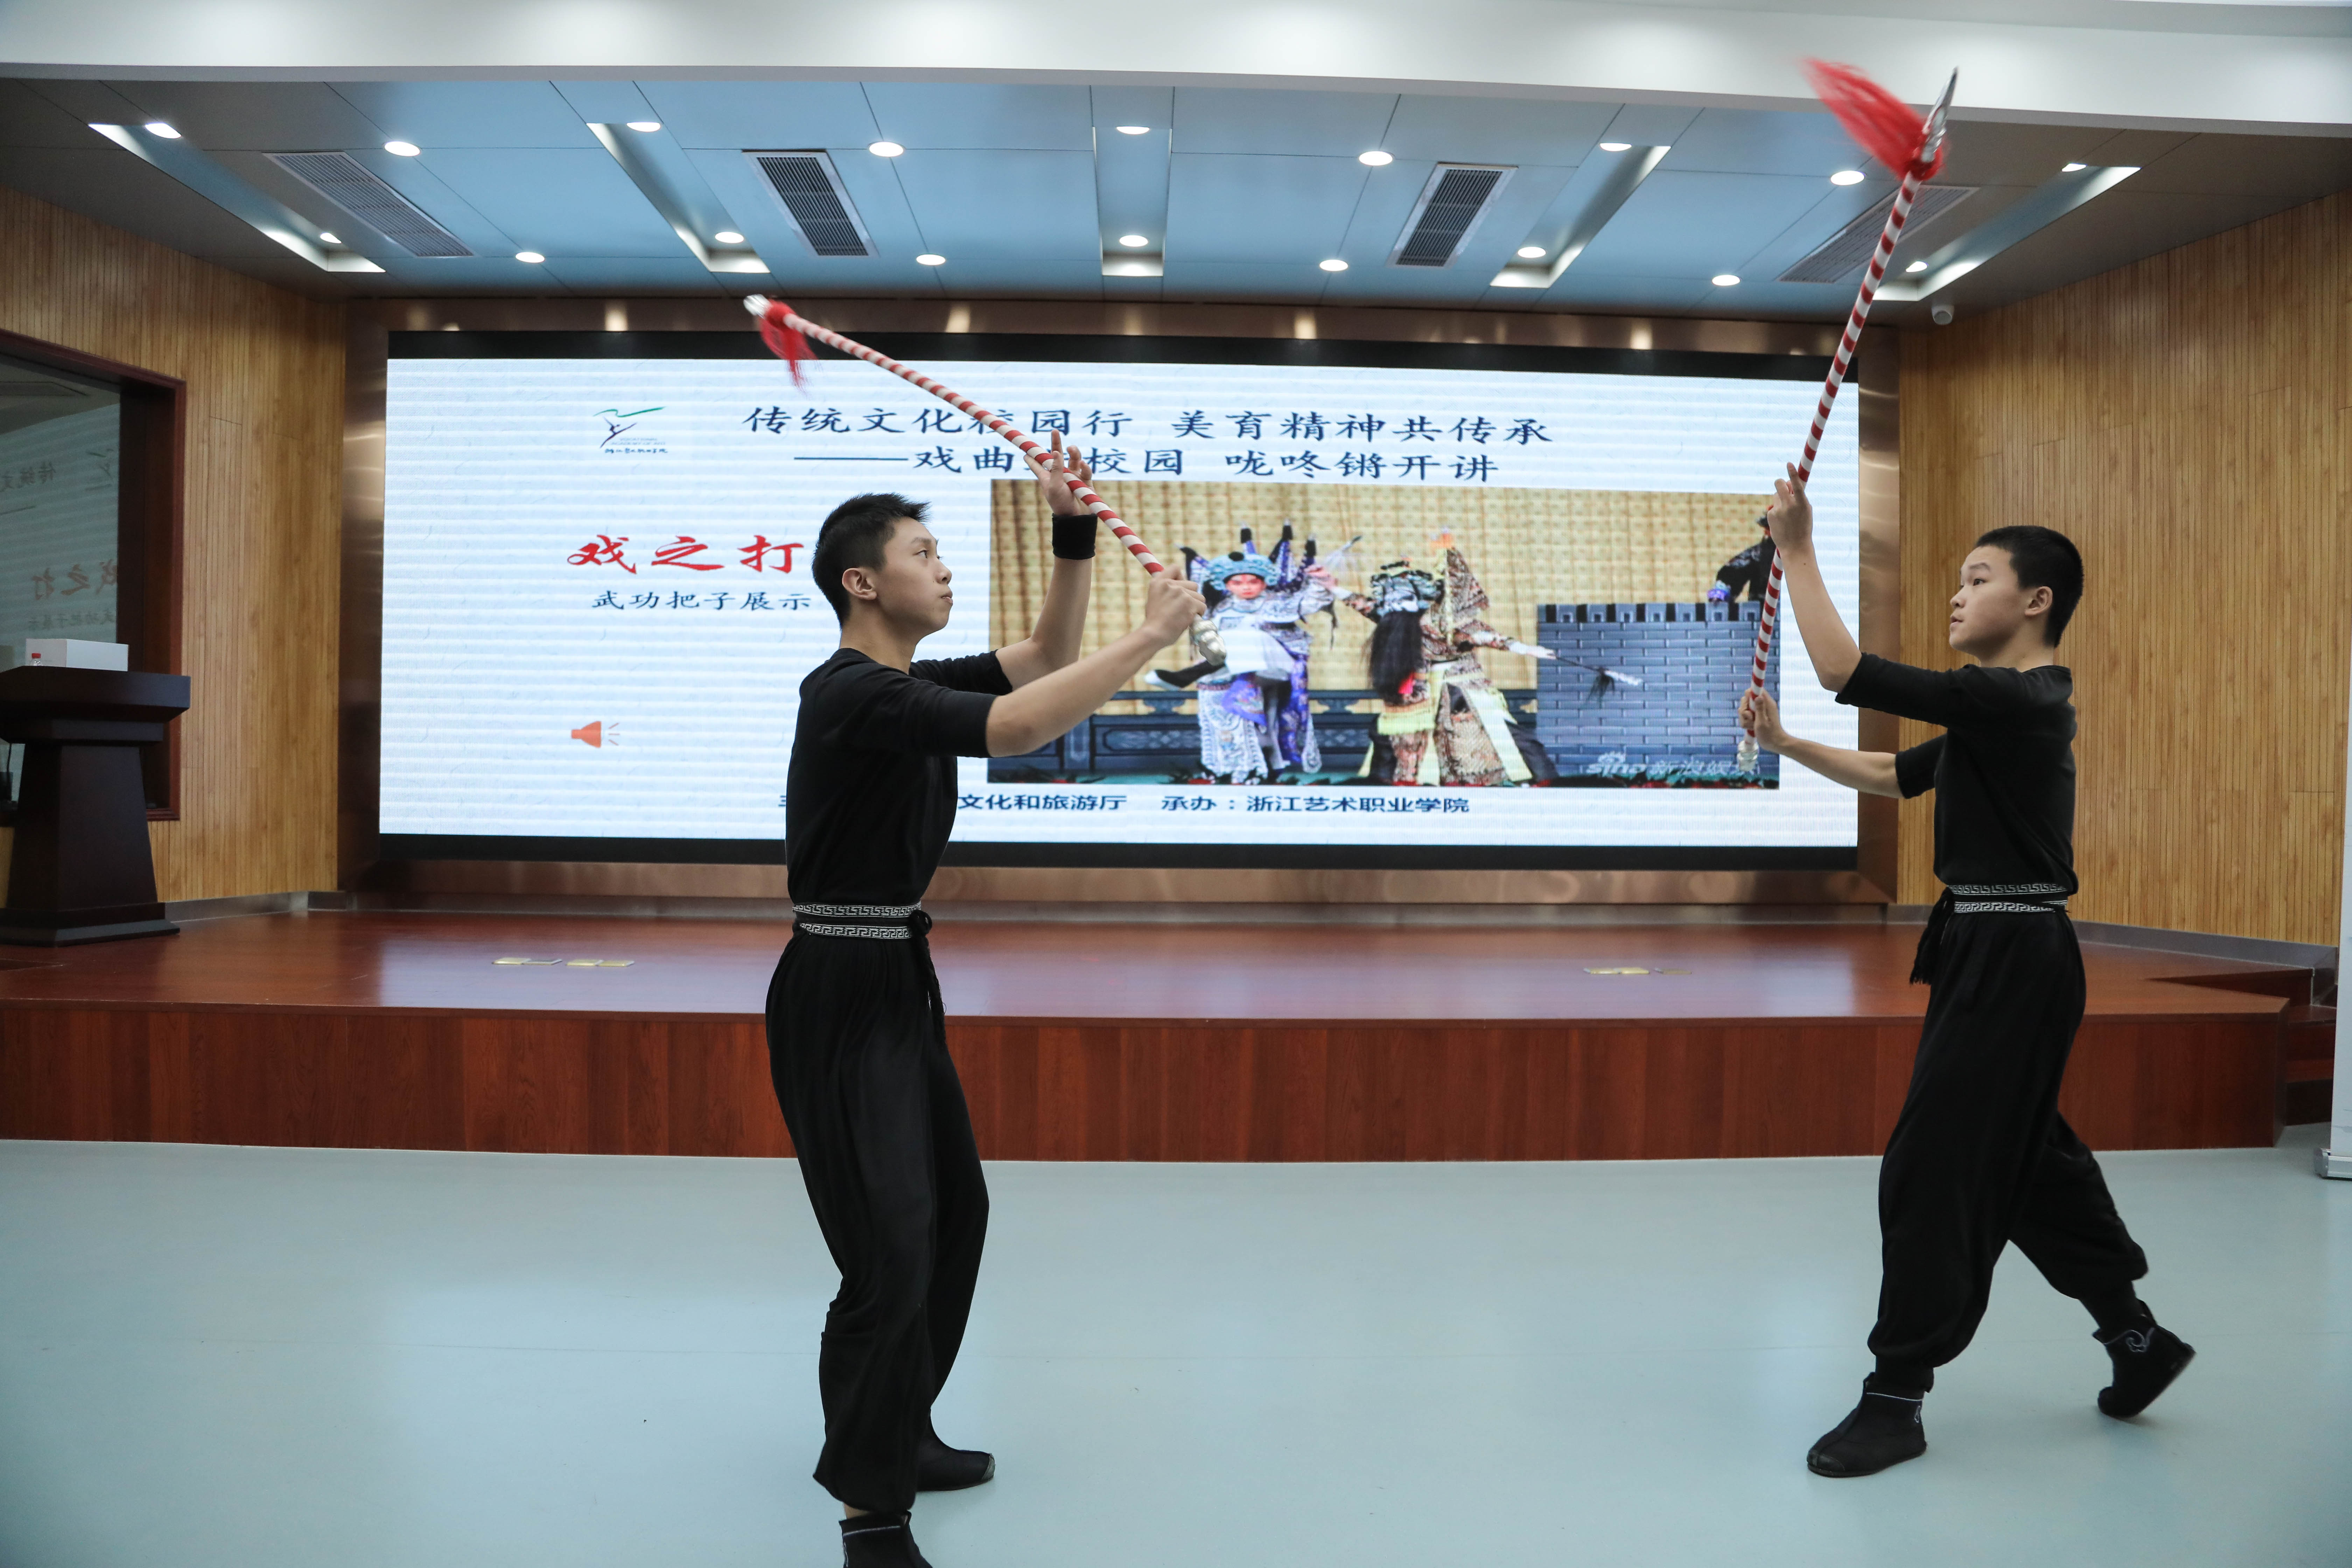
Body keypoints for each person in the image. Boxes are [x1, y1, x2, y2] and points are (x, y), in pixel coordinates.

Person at [772, 435, 1205, 1567]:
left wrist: (1071, 531)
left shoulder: (912, 685)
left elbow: (1044, 659)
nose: (945, 566)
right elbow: (1017, 728)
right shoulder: (851, 692)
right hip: (838, 986)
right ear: (863, 582)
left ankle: (901, 1431)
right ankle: (870, 1513)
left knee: (953, 1218)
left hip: (894, 978)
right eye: (924, 552)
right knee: (889, 1248)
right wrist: (1152, 637)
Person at [1740, 464, 2192, 1478]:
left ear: (2037, 601)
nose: (1957, 593)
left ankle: (1896, 1394)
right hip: (1994, 948)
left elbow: (1845, 670)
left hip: (2015, 954)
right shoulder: (1997, 719)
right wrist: (1787, 743)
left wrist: (1797, 548)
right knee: (2024, 1158)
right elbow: (1891, 774)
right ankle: (2135, 1337)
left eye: (1978, 578)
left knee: (1934, 1166)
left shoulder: (2018, 699)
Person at [1341, 542, 1556, 786]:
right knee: (1396, 732)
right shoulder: (1403, 617)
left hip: (1462, 688)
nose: (1395, 604)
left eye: (1403, 598)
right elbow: (1368, 606)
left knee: (1498, 730)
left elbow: (1480, 637)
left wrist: (1525, 648)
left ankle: (1543, 779)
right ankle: (1386, 781)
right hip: (1421, 687)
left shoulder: (1447, 621)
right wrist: (1334, 588)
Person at [1151, 526, 1332, 782]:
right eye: (1238, 583)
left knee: (1245, 637)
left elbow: (1313, 602)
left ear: (1264, 583)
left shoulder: (1276, 603)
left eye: (1253, 582)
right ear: (1227, 585)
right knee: (1237, 705)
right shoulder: (1221, 609)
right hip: (1235, 669)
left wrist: (1321, 581)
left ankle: (1188, 675)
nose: (1246, 587)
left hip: (1274, 666)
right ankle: (1232, 767)